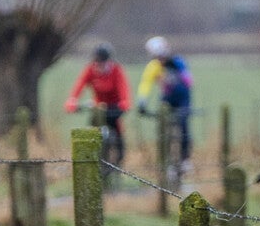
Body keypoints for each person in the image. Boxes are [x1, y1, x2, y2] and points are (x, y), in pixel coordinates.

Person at [63, 42, 130, 164]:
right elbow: (79, 85)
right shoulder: (90, 70)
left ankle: (118, 157)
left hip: (114, 107)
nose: (100, 65)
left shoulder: (116, 70)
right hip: (97, 106)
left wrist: (124, 102)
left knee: (117, 129)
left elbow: (123, 88)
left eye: (103, 62)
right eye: (98, 62)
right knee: (92, 129)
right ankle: (91, 158)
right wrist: (72, 100)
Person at [137, 36, 194, 172]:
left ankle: (185, 159)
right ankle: (166, 160)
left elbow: (189, 81)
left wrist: (177, 73)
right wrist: (142, 101)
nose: (160, 60)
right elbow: (146, 83)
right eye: (157, 57)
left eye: (161, 57)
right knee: (163, 127)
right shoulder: (154, 66)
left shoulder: (178, 62)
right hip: (167, 99)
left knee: (183, 126)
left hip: (182, 98)